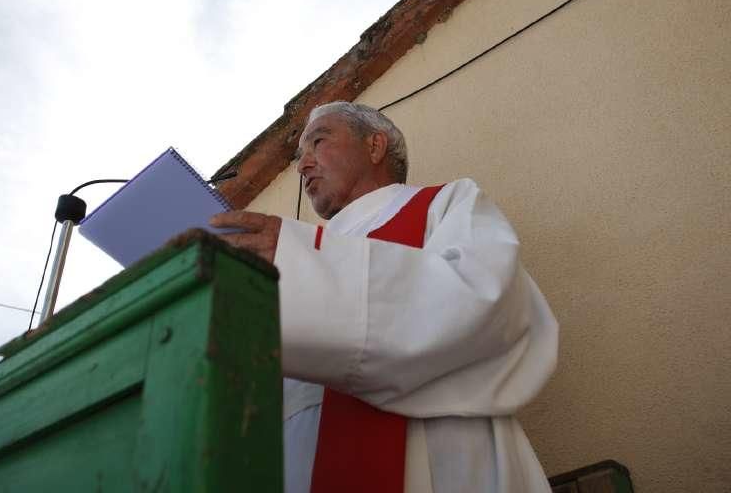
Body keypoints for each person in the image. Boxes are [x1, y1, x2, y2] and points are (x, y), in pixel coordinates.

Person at [210, 101, 558, 493]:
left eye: (318, 142)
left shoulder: (445, 204)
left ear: (375, 146)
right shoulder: (287, 247)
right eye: (298, 155)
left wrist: (305, 264)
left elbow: (482, 300)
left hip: (436, 454)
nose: (302, 165)